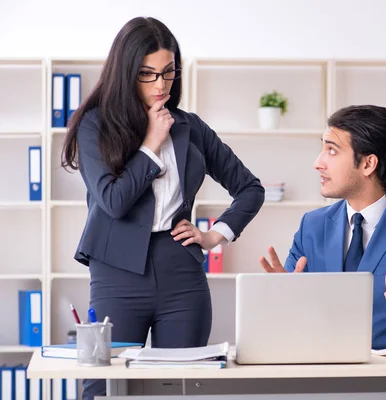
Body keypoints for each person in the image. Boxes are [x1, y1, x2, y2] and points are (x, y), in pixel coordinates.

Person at [62, 17, 264, 399]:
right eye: (148, 74)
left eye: (168, 73)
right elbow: (114, 201)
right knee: (102, 388)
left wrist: (214, 235)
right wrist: (151, 143)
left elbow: (250, 189)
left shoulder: (191, 127)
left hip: (180, 275)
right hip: (117, 273)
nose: (161, 85)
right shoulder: (95, 126)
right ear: (126, 72)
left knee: (179, 387)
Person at [260, 105, 386, 350]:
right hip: (322, 377)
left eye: (331, 150)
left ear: (368, 164)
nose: (318, 163)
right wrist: (281, 299)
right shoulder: (312, 226)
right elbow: (292, 323)